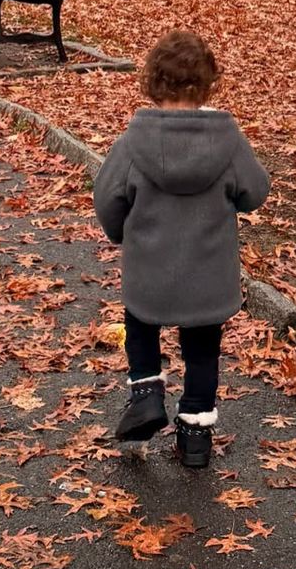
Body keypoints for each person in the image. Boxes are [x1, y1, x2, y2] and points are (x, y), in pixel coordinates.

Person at [93, 29, 270, 469]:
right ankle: (194, 438)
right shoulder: (226, 141)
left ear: (155, 83)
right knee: (203, 350)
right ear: (206, 85)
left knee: (140, 327)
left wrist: (121, 234)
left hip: (149, 270)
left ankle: (147, 394)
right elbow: (256, 192)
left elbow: (107, 197)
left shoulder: (135, 142)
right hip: (208, 277)